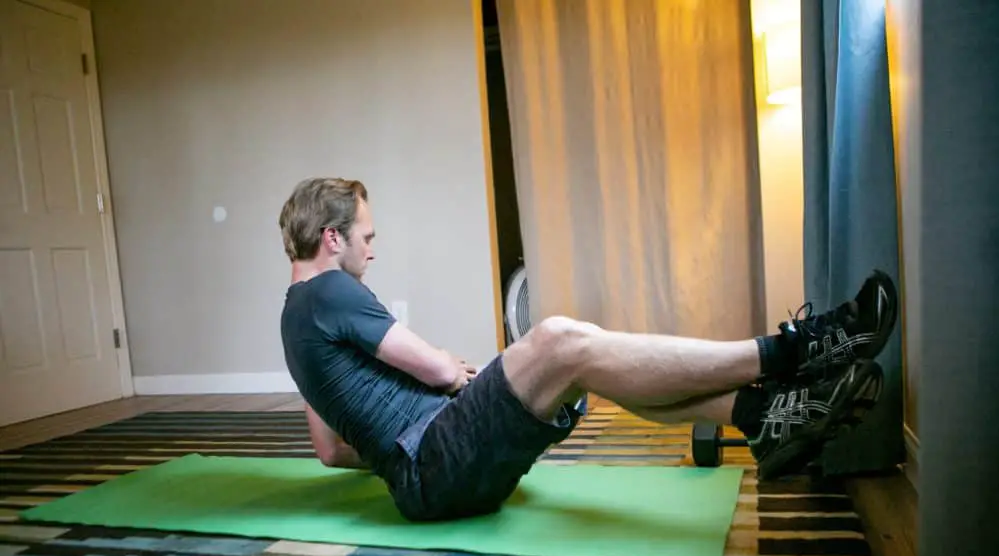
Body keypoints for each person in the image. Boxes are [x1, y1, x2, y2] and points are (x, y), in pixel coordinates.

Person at [278, 177, 898, 522]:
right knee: (559, 340)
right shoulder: (332, 289)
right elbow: (439, 369)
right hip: (438, 459)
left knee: (590, 359)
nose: (371, 249)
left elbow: (331, 452)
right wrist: (458, 384)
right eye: (366, 236)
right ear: (332, 239)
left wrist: (399, 452)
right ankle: (798, 349)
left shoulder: (291, 324)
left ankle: (764, 418)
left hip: (428, 476)